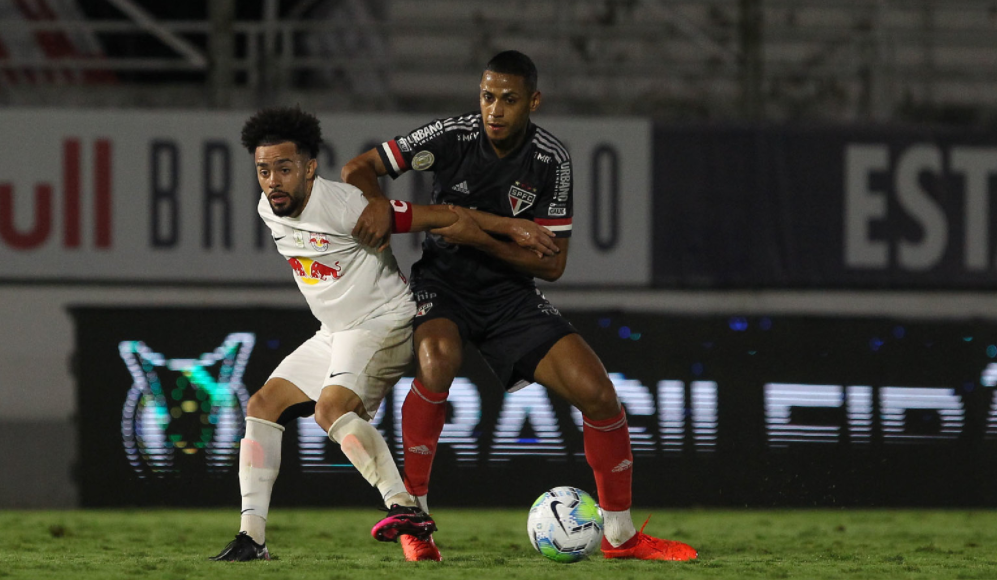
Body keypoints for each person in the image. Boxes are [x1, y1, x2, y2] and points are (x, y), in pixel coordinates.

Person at [342, 50, 699, 563]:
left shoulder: (551, 160)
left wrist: (476, 234)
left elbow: (553, 266)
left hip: (510, 296)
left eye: (509, 99)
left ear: (533, 101)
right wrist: (378, 207)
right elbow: (359, 167)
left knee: (599, 395)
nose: (495, 109)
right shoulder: (452, 136)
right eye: (488, 96)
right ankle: (414, 520)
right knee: (438, 359)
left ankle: (620, 538)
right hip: (443, 286)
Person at [212, 106, 555, 562]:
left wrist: (510, 226)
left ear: (310, 168)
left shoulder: (344, 206)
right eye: (263, 170)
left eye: (284, 168)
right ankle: (251, 539)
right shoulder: (267, 208)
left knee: (331, 409)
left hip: (383, 322)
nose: (273, 180)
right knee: (262, 405)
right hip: (335, 332)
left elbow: (444, 216)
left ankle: (404, 507)